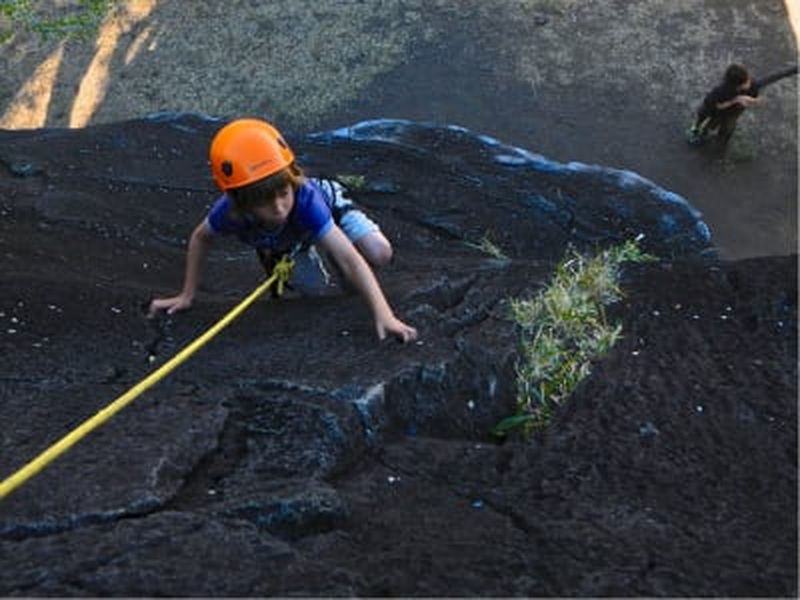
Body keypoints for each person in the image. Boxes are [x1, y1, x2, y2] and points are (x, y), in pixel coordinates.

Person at [148, 118, 418, 343]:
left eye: (282, 193)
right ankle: (295, 250)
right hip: (286, 241)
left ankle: (330, 243)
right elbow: (200, 238)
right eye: (264, 201)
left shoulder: (306, 200)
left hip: (330, 208)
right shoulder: (229, 212)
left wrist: (384, 314)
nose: (278, 207)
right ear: (241, 200)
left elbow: (351, 258)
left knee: (377, 253)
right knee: (312, 291)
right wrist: (187, 294)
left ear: (292, 180)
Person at [687, 63, 798, 147]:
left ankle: (721, 141)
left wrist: (754, 101)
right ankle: (699, 134)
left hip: (732, 113)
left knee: (727, 129)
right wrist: (736, 100)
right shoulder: (720, 92)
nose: (750, 82)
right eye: (746, 81)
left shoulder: (752, 86)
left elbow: (774, 76)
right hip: (715, 112)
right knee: (707, 124)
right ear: (737, 85)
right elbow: (713, 106)